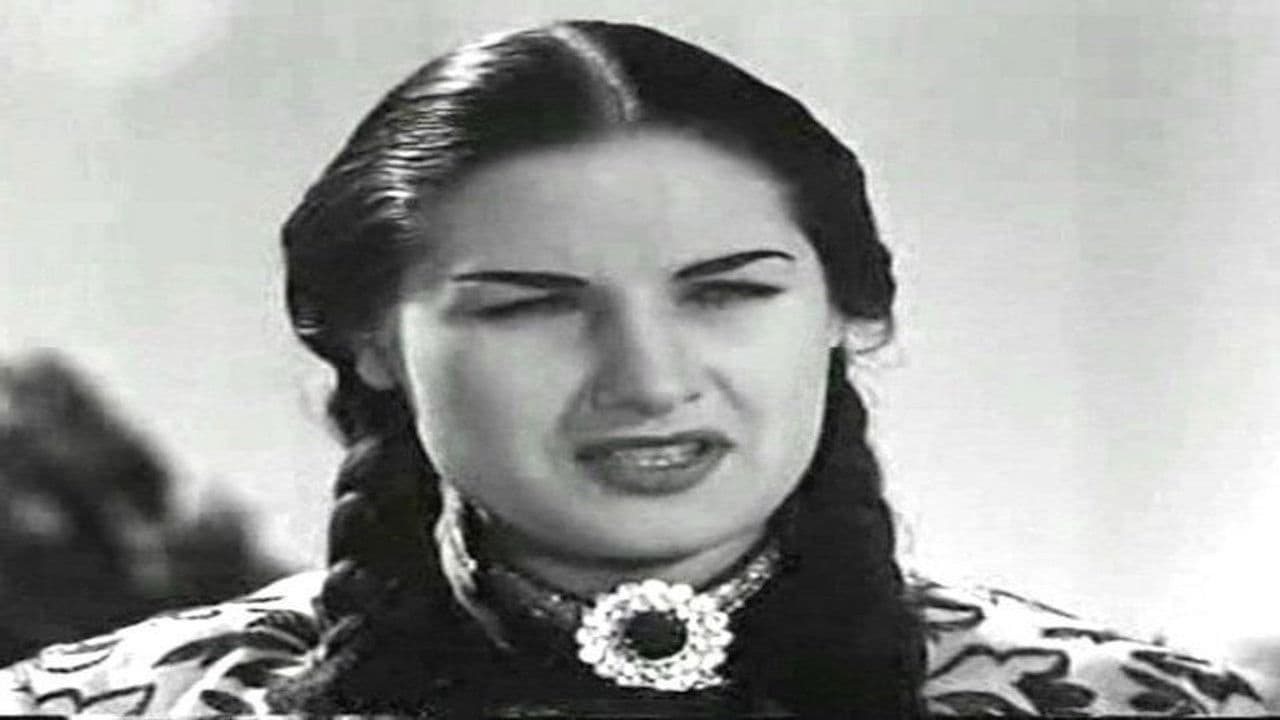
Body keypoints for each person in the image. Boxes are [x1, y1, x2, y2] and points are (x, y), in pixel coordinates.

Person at [0, 20, 1267, 718]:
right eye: (529, 306)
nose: (648, 379)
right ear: (373, 341)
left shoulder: (1143, 705)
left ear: (845, 314)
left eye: (725, 293)